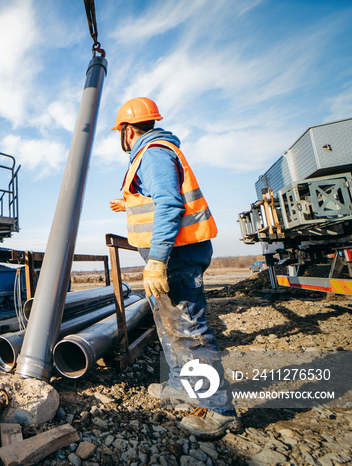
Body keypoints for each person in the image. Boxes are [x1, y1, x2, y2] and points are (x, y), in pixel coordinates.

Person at [110, 97, 240, 439]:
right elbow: (158, 199)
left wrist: (156, 261)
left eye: (120, 131)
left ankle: (219, 409)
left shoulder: (152, 153)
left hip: (176, 256)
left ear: (127, 129)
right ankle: (183, 385)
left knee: (187, 328)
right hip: (174, 255)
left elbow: (170, 203)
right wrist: (129, 202)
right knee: (169, 323)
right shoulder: (153, 153)